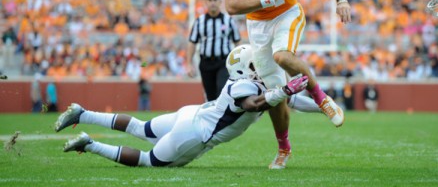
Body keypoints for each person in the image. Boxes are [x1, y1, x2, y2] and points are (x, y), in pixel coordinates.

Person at [225, 0, 351, 168]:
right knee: (275, 95)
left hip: (287, 14)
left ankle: (321, 98)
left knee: (282, 55)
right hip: (258, 23)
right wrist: (264, 0)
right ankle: (284, 148)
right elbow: (231, 4)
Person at [54, 45, 308, 168]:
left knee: (139, 127)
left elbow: (290, 100)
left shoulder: (255, 83)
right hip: (195, 133)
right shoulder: (243, 86)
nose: (260, 65)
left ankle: (82, 113)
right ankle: (90, 144)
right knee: (147, 161)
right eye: (256, 63)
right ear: (247, 68)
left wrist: (325, 105)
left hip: (189, 115)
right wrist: (284, 90)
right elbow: (253, 104)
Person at [187, 0, 242, 101]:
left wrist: (240, 62)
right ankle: (214, 118)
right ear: (206, 2)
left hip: (223, 62)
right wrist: (189, 63)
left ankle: (222, 116)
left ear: (220, 2)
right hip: (206, 63)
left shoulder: (228, 21)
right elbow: (192, 42)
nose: (212, 2)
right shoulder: (199, 21)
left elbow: (237, 41)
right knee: (210, 96)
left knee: (222, 91)